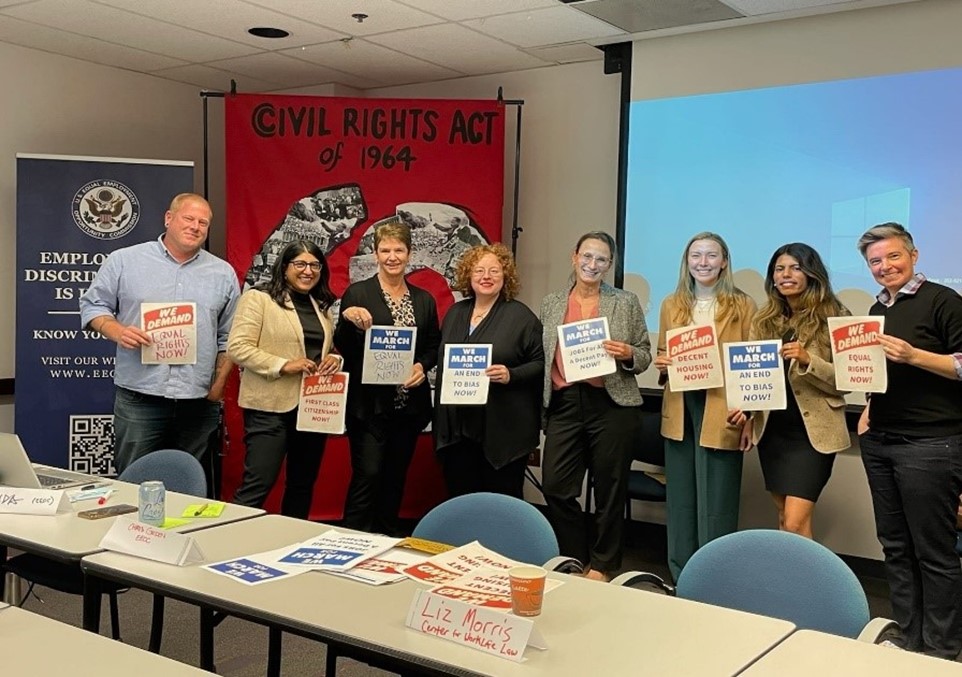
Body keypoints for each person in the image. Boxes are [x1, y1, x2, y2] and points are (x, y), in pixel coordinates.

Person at [855, 222, 962, 659]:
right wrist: (866, 409)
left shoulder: (944, 301)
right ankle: (908, 636)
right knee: (895, 546)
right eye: (875, 261)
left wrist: (914, 355)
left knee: (934, 552)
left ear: (913, 255)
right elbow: (873, 372)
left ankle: (942, 647)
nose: (885, 267)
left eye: (893, 257)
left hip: (931, 444)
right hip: (880, 441)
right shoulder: (873, 309)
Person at [79, 193, 239, 473]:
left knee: (190, 484)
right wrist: (117, 331)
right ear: (169, 218)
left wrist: (219, 385)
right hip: (140, 395)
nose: (195, 226)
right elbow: (93, 306)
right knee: (133, 477)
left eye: (203, 222)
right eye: (188, 218)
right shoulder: (124, 261)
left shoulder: (223, 273)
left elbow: (230, 335)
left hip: (198, 399)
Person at [541, 231, 651, 581]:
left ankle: (602, 565)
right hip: (565, 402)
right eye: (587, 256)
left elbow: (645, 353)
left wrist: (629, 353)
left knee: (609, 488)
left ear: (609, 265)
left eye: (601, 259)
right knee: (556, 486)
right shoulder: (551, 303)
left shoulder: (626, 301)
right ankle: (573, 556)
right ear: (574, 257)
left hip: (612, 404)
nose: (592, 265)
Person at [727, 243, 851, 538]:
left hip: (813, 434)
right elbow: (754, 377)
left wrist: (809, 360)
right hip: (773, 432)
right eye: (779, 269)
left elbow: (848, 381)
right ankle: (798, 583)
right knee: (785, 520)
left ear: (811, 273)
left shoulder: (835, 315)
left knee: (794, 522)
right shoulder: (764, 319)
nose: (786, 275)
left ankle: (807, 583)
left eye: (795, 268)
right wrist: (747, 412)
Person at [654, 232, 755, 582]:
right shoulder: (671, 303)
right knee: (680, 498)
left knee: (717, 499)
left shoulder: (743, 305)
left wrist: (749, 416)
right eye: (696, 255)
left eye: (711, 255)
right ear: (687, 261)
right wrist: (664, 363)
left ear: (724, 261)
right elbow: (663, 353)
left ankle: (715, 577)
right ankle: (682, 576)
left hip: (721, 407)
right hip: (681, 406)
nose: (703, 262)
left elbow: (749, 363)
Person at [334, 220, 440, 536]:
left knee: (395, 477)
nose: (392, 256)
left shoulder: (423, 299)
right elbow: (344, 345)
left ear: (409, 254)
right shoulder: (359, 293)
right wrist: (348, 320)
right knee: (368, 473)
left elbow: (434, 343)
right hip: (368, 407)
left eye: (398, 250)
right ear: (376, 254)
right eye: (385, 250)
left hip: (407, 407)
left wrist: (422, 366)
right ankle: (352, 538)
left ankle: (388, 538)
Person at [227, 241, 342, 518]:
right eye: (300, 264)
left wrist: (335, 359)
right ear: (285, 266)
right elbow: (238, 347)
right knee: (258, 484)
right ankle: (228, 540)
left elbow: (325, 349)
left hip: (313, 408)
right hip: (269, 408)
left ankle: (293, 545)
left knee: (302, 486)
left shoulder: (321, 304)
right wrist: (283, 365)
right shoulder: (259, 298)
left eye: (314, 265)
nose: (308, 271)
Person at [434, 244, 543, 499]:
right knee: (461, 500)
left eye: (494, 270)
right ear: (468, 276)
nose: (486, 276)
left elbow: (540, 363)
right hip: (458, 431)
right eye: (479, 270)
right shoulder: (455, 313)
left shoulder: (521, 317)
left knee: (499, 504)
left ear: (505, 276)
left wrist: (510, 375)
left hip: (502, 430)